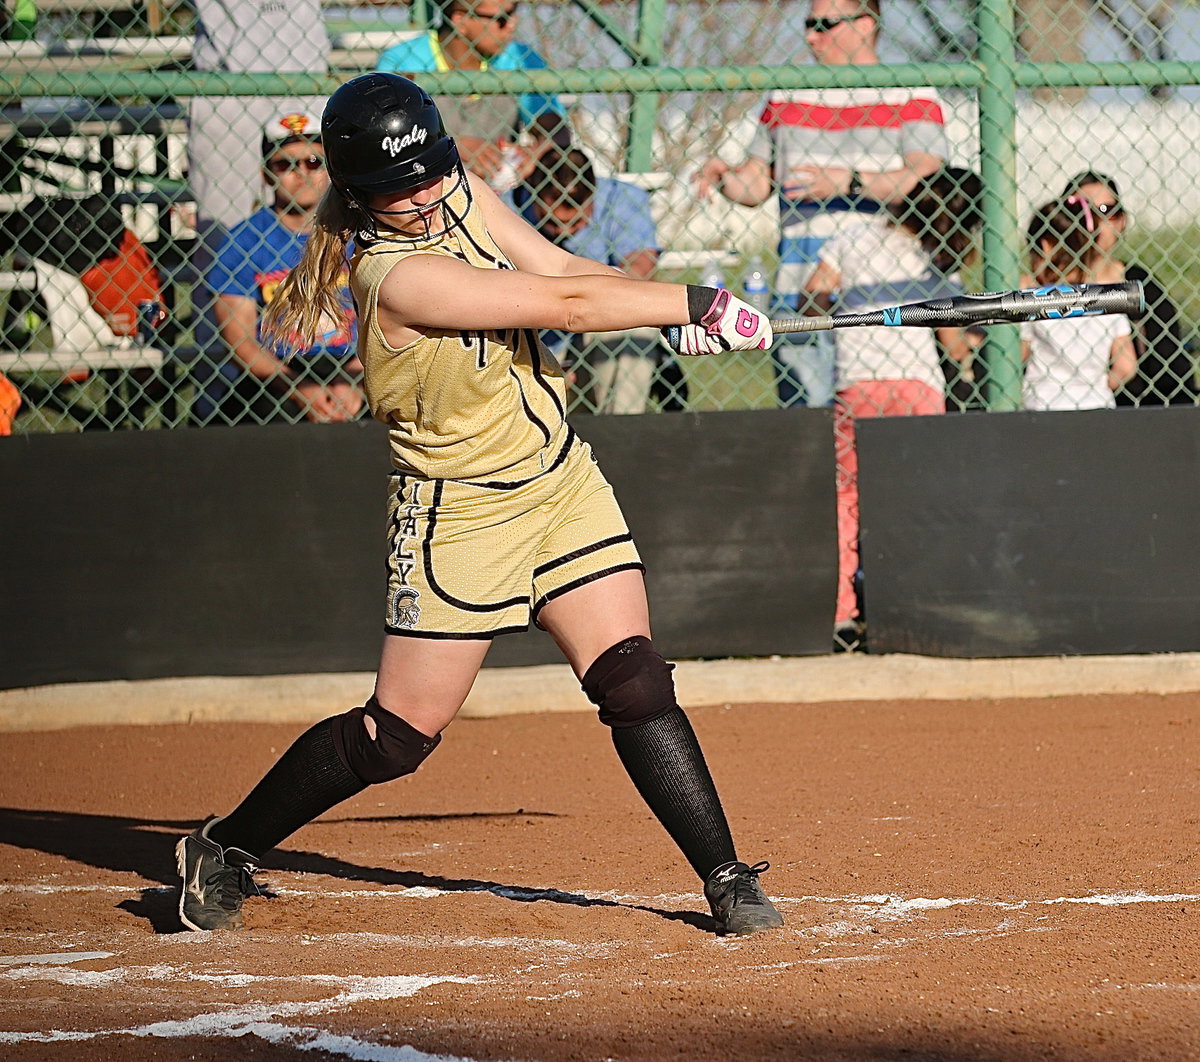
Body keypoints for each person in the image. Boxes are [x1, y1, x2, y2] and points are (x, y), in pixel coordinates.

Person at [175, 73, 782, 939]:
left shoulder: (462, 191)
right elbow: (561, 304)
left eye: (429, 173)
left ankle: (726, 878)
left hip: (559, 482)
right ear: (356, 191)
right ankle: (226, 845)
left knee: (635, 677)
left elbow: (571, 272)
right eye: (396, 187)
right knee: (396, 739)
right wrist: (688, 303)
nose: (422, 198)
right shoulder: (393, 274)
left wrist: (663, 315)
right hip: (460, 513)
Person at [695, 0, 948, 409]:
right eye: (808, 24)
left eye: (825, 24)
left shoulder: (910, 89)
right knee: (812, 434)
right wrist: (725, 177)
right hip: (799, 291)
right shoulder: (787, 90)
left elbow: (928, 178)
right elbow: (758, 181)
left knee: (876, 436)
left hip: (879, 298)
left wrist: (849, 182)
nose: (811, 35)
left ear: (866, 24)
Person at [803, 167, 983, 649]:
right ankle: (917, 604)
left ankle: (842, 613)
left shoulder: (854, 236)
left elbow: (814, 296)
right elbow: (955, 345)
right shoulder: (936, 263)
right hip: (919, 389)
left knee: (847, 498)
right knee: (921, 498)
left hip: (857, 385)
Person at [192, 112, 363, 426]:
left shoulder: (358, 232)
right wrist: (296, 387)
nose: (302, 174)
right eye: (285, 165)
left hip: (353, 363)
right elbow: (240, 339)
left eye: (313, 162)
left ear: (330, 170)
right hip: (280, 371)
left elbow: (388, 319)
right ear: (266, 175)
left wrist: (356, 379)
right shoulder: (243, 241)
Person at [520, 147, 688, 414]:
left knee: (633, 325)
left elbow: (640, 268)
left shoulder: (621, 198)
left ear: (593, 196)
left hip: (595, 329)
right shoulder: (509, 206)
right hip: (531, 341)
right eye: (552, 223)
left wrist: (582, 305)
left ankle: (621, 437)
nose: (564, 232)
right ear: (535, 194)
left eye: (575, 223)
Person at [377, 0, 571, 195]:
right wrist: (454, 146)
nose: (512, 24)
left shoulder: (520, 58)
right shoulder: (402, 61)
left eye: (514, 12)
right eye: (501, 19)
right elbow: (384, 137)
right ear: (460, 20)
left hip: (494, 195)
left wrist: (534, 151)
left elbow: (555, 127)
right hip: (423, 191)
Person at [1060, 171, 1198, 406]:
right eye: (1080, 212)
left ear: (1122, 221)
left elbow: (1171, 364)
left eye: (1106, 211)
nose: (1093, 223)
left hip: (1134, 408)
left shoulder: (1140, 284)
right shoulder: (1047, 288)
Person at [1020, 197, 1136, 411]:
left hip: (1043, 404)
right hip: (1097, 404)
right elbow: (1126, 366)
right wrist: (1098, 388)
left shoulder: (1034, 300)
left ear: (1045, 247)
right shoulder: (1106, 297)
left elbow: (1019, 353)